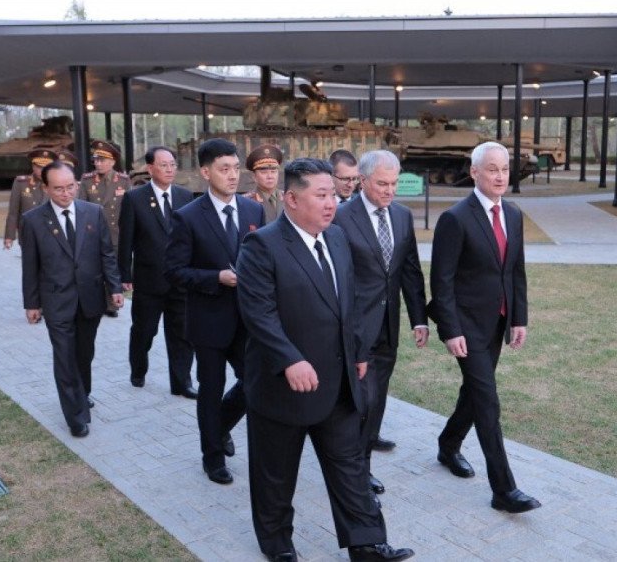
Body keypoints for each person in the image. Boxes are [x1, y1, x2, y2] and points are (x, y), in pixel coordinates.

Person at [237, 157, 414, 562]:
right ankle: (278, 545)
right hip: (284, 387)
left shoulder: (335, 238)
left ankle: (367, 544)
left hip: (338, 381)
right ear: (291, 199)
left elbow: (347, 301)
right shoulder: (262, 245)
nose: (332, 203)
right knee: (276, 474)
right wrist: (289, 360)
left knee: (350, 467)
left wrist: (359, 350)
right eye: (321, 195)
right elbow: (258, 313)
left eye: (333, 194)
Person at [428, 141, 540, 514]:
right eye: (492, 169)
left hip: (497, 323)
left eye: (505, 169)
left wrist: (519, 318)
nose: (500, 176)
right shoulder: (455, 218)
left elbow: (516, 271)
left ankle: (448, 445)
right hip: (466, 327)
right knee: (488, 401)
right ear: (474, 172)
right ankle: (504, 490)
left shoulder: (514, 214)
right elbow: (442, 281)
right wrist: (451, 329)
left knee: (475, 392)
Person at [165, 138, 266, 485]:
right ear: (206, 173)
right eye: (225, 169)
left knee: (254, 382)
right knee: (210, 390)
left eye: (236, 168)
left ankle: (220, 426)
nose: (233, 175)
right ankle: (213, 458)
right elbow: (174, 271)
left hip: (247, 319)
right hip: (208, 321)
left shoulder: (253, 211)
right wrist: (216, 278)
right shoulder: (187, 217)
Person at [334, 150, 427, 497]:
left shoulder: (402, 216)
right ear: (362, 180)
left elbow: (410, 271)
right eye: (382, 184)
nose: (390, 190)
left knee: (378, 399)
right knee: (363, 399)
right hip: (354, 329)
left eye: (394, 183)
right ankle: (355, 473)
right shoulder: (341, 218)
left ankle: (361, 460)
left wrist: (419, 319)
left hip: (388, 327)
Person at [19, 161, 124, 438]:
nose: (66, 193)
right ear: (45, 188)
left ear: (77, 184)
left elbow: (106, 254)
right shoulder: (32, 220)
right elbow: (30, 266)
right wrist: (31, 303)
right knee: (64, 357)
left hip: (90, 297)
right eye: (58, 189)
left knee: (84, 353)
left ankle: (82, 392)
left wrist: (115, 288)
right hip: (56, 301)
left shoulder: (93, 212)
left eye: (70, 187)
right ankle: (76, 417)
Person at [117, 146, 197, 397]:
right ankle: (138, 370)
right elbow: (126, 240)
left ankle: (181, 383)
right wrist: (124, 275)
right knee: (145, 331)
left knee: (182, 334)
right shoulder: (134, 198)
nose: (170, 169)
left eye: (172, 164)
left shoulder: (185, 196)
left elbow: (192, 237)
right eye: (164, 165)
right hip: (149, 281)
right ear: (150, 168)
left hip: (180, 280)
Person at [80, 139, 132, 317]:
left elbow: (129, 209)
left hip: (116, 233)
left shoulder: (123, 181)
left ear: (112, 161)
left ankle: (111, 305)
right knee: (95, 270)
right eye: (96, 160)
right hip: (93, 233)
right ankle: (96, 302)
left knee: (113, 269)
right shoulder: (87, 181)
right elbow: (81, 208)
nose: (98, 163)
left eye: (102, 160)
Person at [4, 148, 54, 249]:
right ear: (33, 166)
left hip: (51, 233)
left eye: (46, 167)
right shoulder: (21, 183)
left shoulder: (55, 184)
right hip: (28, 233)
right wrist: (9, 236)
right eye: (39, 167)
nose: (42, 170)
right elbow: (13, 212)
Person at [244, 144, 284, 223]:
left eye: (273, 171)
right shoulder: (246, 201)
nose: (270, 176)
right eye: (264, 172)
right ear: (254, 177)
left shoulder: (288, 198)